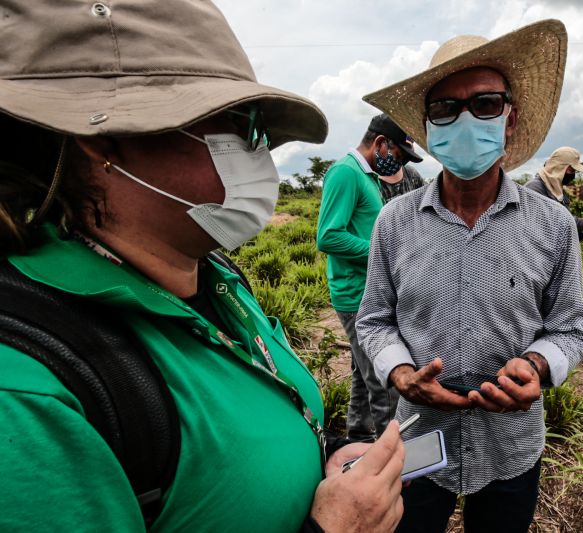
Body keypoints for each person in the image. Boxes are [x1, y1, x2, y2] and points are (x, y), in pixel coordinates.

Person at [0, 2, 404, 532]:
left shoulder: (215, 277)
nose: (258, 152)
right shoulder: (26, 393)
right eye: (240, 123)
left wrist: (323, 454)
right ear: (101, 138)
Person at [357, 20, 583, 532]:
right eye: (445, 108)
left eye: (485, 104)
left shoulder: (551, 224)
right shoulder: (394, 221)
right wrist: (400, 374)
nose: (466, 120)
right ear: (428, 128)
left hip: (512, 438)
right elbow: (374, 321)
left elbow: (570, 327)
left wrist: (537, 365)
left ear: (510, 119)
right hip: (417, 433)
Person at [317, 113, 422, 442]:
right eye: (399, 156)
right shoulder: (345, 173)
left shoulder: (366, 176)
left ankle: (358, 440)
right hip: (354, 296)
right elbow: (328, 236)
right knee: (384, 381)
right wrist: (383, 251)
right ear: (381, 144)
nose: (400, 164)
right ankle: (394, 458)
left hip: (367, 291)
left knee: (363, 375)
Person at [525, 146, 583, 238]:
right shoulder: (534, 189)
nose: (573, 175)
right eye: (571, 170)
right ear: (560, 167)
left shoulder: (558, 190)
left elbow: (563, 234)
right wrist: (582, 223)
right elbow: (542, 225)